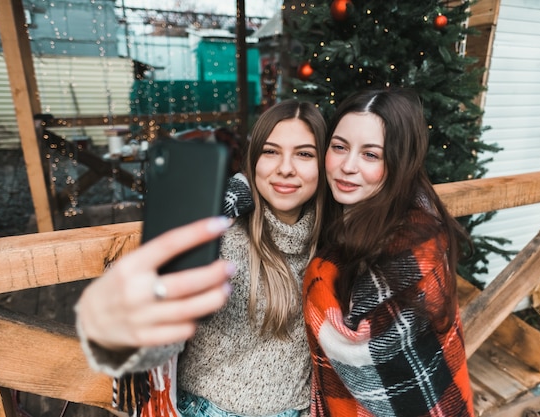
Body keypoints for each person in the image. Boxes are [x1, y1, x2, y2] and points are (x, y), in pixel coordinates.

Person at [75, 99, 328, 417]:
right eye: (270, 151)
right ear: (253, 159)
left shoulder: (332, 240)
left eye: (304, 153)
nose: (286, 168)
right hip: (209, 409)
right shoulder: (218, 236)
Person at [303, 87, 474, 416]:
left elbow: (380, 359)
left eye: (371, 155)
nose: (347, 166)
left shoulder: (414, 248)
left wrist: (317, 274)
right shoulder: (341, 213)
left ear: (399, 163)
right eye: (339, 147)